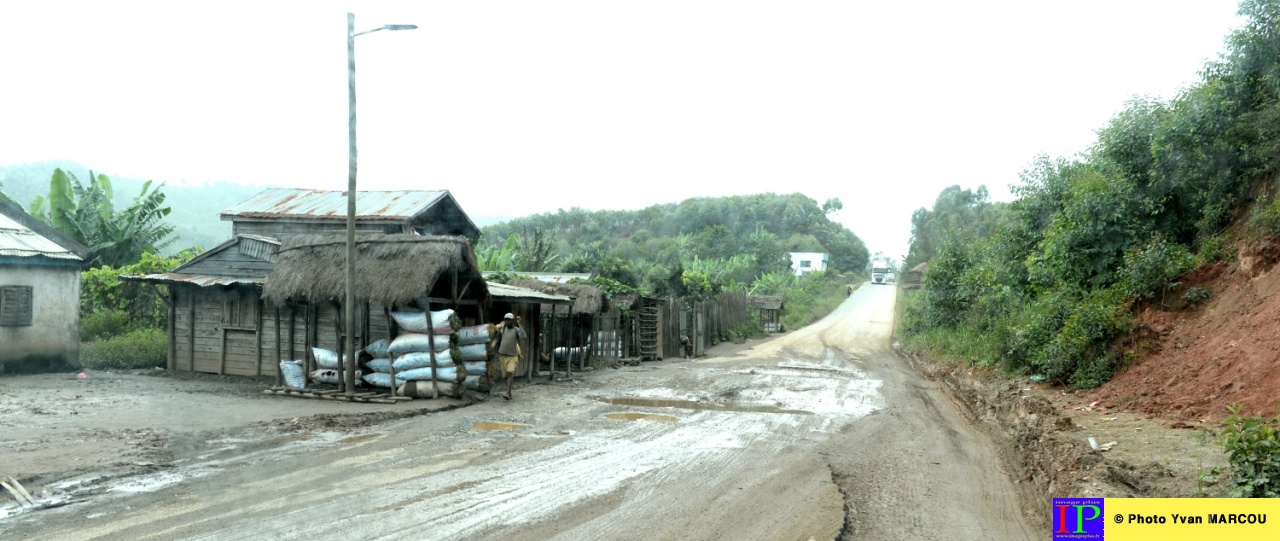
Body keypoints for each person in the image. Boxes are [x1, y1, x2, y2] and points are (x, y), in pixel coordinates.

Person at [493, 313, 526, 400]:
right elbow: (495, 338)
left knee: (510, 372)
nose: (507, 321)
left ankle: (507, 393)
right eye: (506, 319)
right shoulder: (502, 329)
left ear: (512, 321)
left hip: (513, 355)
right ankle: (509, 393)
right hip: (502, 355)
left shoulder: (516, 330)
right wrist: (496, 329)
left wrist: (519, 323)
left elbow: (524, 336)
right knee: (505, 376)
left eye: (509, 319)